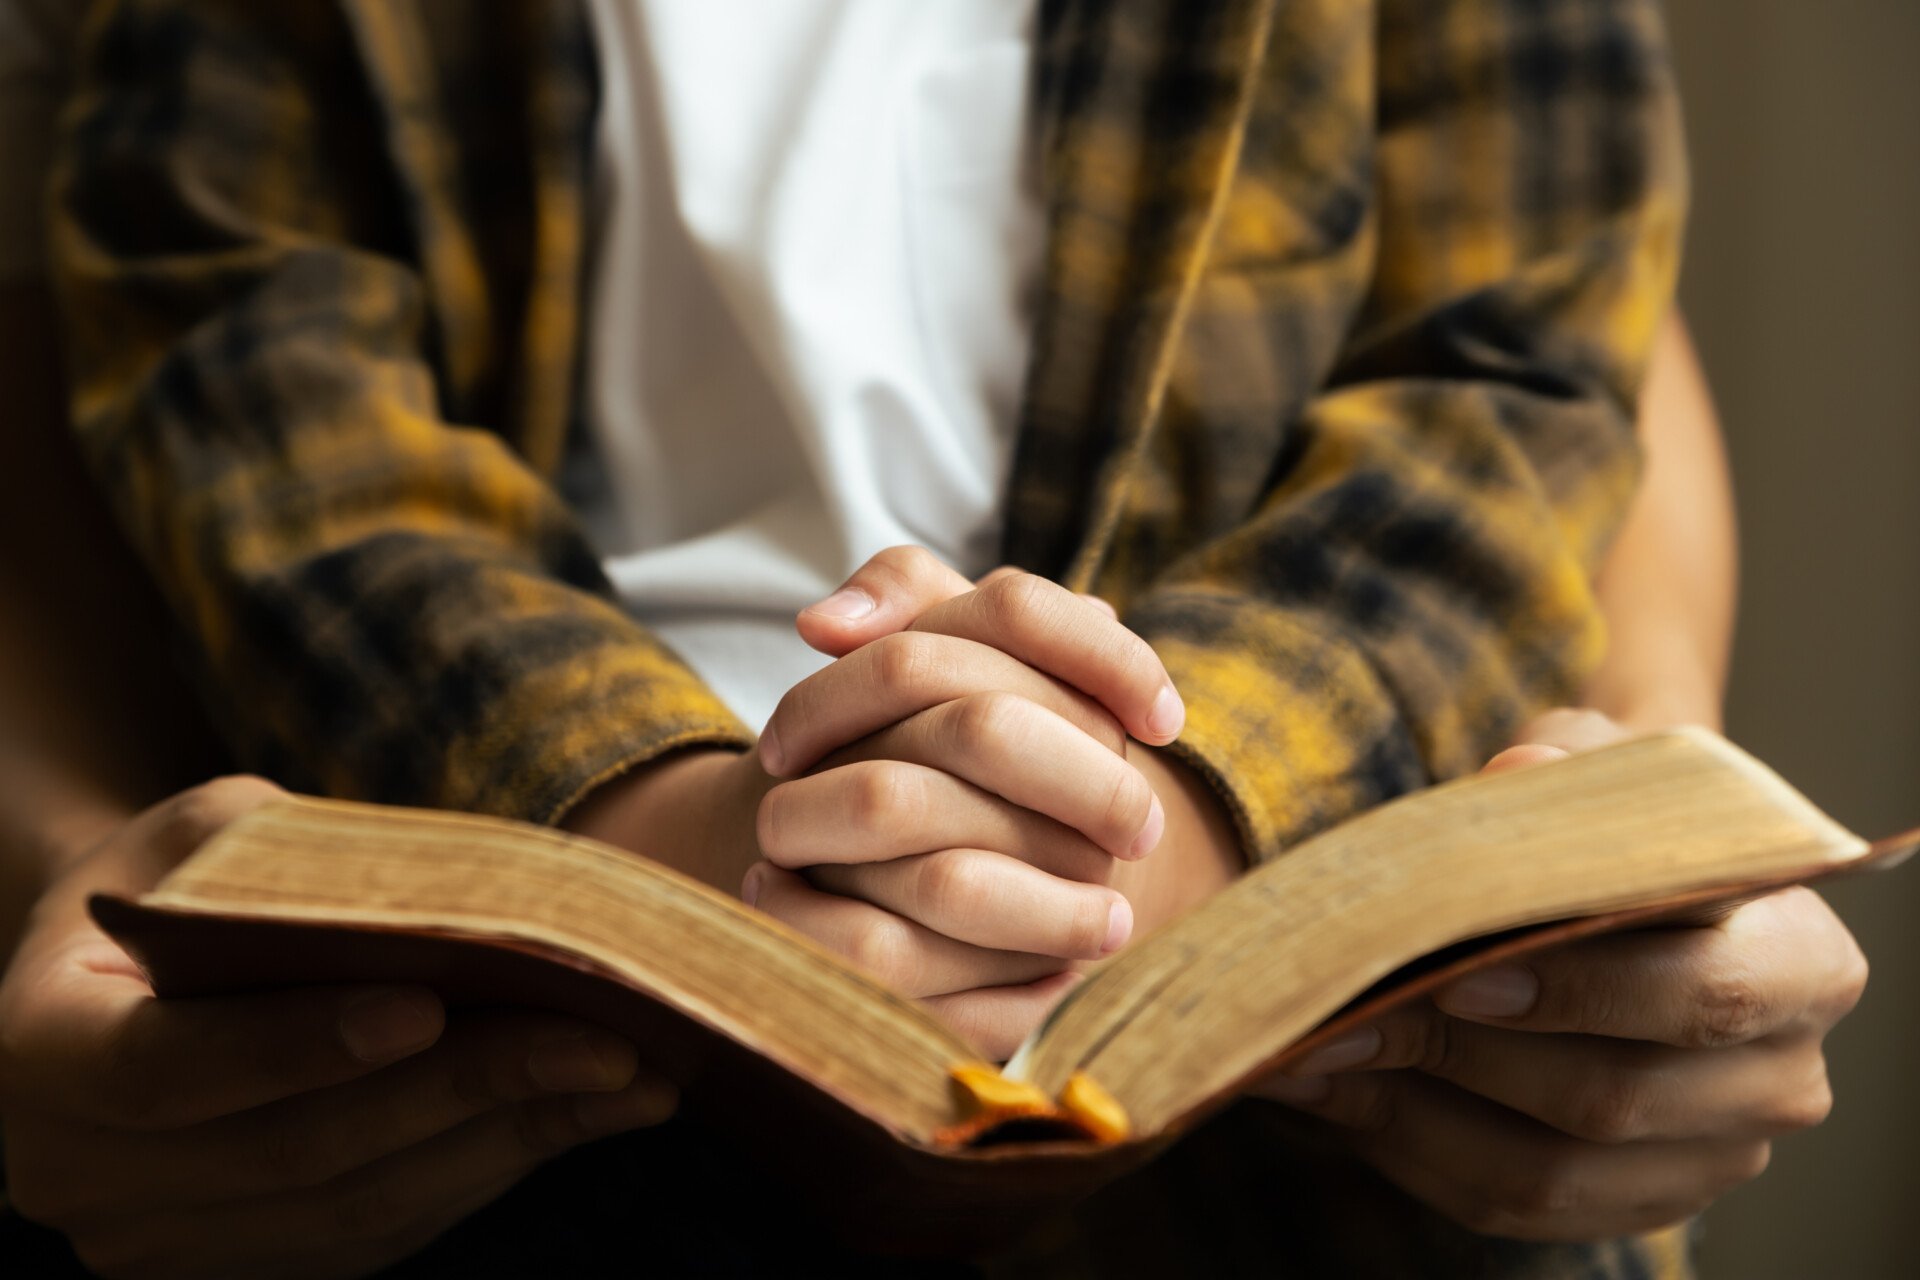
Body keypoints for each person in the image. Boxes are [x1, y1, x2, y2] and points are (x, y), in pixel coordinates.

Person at [0, 0, 1866, 1275]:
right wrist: (680, 855)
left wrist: (1168, 819)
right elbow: (240, 365)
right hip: (489, 1064)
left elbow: (1529, 358)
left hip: (1333, 1110)